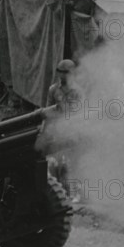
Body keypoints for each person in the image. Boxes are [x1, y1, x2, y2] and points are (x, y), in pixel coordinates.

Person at [44, 59, 82, 200]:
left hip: (72, 132)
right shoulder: (53, 90)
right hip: (57, 132)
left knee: (72, 164)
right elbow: (47, 112)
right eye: (59, 71)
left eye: (65, 72)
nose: (61, 75)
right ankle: (59, 193)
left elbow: (81, 115)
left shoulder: (77, 92)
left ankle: (75, 194)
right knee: (55, 163)